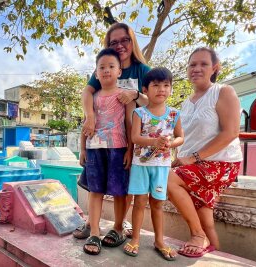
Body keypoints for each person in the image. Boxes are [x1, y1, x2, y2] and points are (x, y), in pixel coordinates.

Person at [74, 22, 151, 241]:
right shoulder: (102, 69)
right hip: (97, 140)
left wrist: (135, 95)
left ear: (132, 41)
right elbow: (87, 93)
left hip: (131, 137)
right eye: (113, 41)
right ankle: (92, 225)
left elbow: (153, 99)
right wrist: (89, 117)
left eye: (124, 40)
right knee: (95, 186)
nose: (119, 45)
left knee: (122, 186)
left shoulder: (142, 70)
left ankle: (118, 226)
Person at [167, 47, 243, 258]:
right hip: (195, 165)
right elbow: (187, 138)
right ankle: (214, 252)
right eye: (192, 64)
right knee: (206, 218)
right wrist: (177, 159)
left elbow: (231, 132)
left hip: (221, 163)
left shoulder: (223, 91)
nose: (196, 69)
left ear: (214, 68)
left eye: (203, 64)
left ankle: (197, 235)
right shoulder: (186, 103)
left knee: (166, 180)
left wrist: (192, 158)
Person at [122, 67, 183, 261]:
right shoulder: (140, 113)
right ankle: (136, 239)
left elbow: (181, 137)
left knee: (158, 204)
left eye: (166, 85)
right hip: (141, 165)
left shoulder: (174, 114)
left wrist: (171, 143)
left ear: (171, 89)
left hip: (161, 166)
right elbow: (134, 137)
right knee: (139, 203)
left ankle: (159, 241)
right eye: (156, 85)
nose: (161, 89)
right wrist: (153, 142)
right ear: (146, 90)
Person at [79, 48, 135, 255]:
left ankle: (118, 228)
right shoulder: (92, 98)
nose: (106, 70)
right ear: (96, 73)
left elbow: (130, 124)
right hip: (95, 150)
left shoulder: (124, 96)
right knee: (95, 191)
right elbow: (86, 124)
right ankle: (94, 231)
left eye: (111, 66)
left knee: (120, 192)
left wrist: (130, 149)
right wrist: (82, 149)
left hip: (118, 149)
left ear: (119, 71)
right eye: (101, 67)